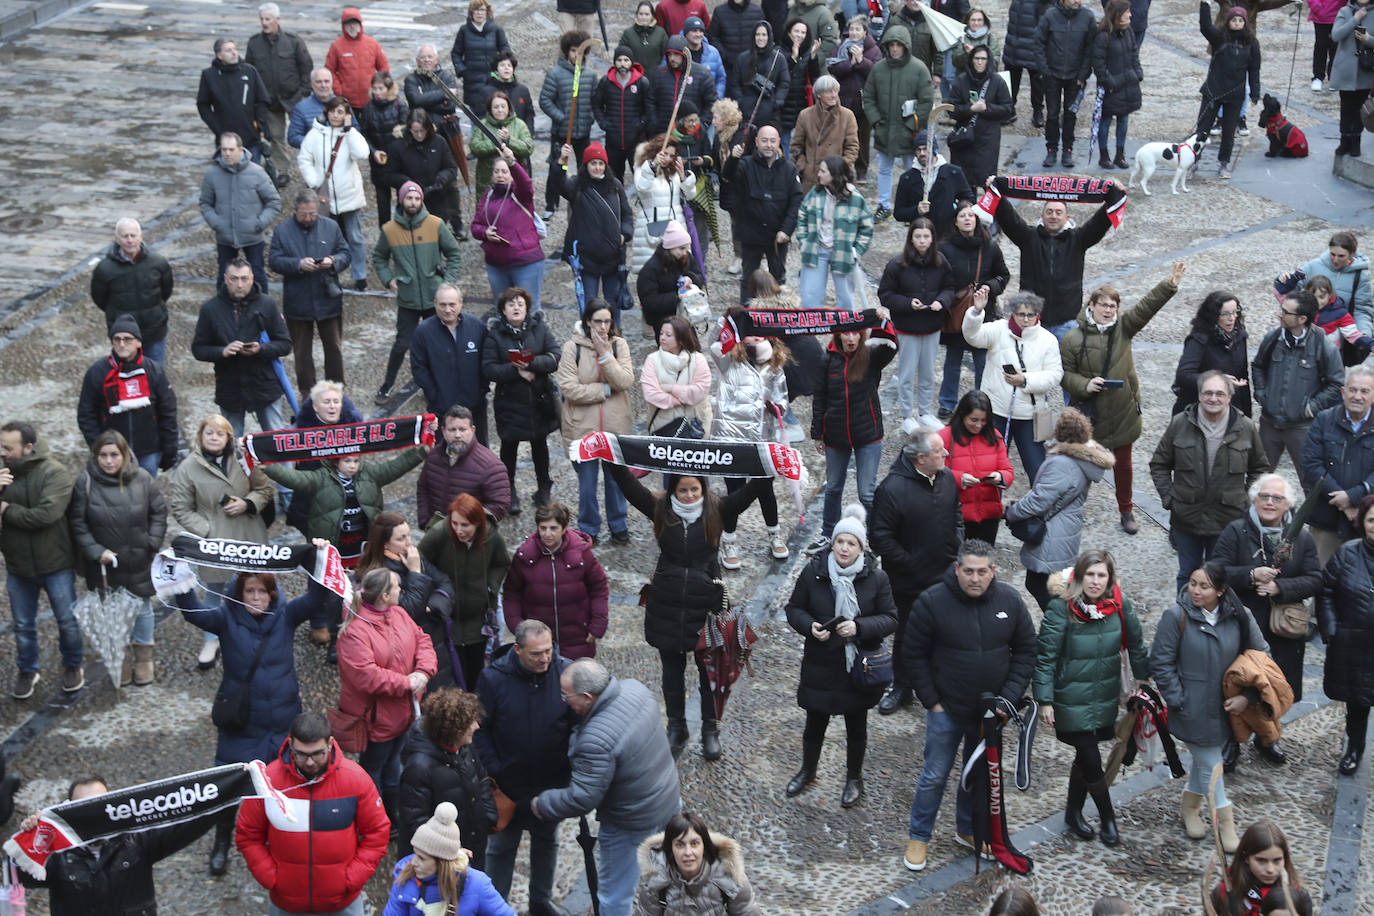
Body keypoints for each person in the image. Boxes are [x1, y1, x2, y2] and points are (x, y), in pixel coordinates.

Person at [602, 463, 769, 759]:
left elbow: (752, 489)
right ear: (673, 490)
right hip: (667, 604)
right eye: (683, 489)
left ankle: (710, 730)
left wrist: (771, 465)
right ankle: (677, 728)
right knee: (671, 673)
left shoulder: (718, 509)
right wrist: (609, 458)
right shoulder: (660, 509)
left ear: (703, 488)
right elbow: (629, 485)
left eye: (695, 489)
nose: (690, 495)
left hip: (707, 606)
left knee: (709, 673)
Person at [900, 538, 1036, 871]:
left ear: (993, 571)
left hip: (991, 715)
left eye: (982, 572)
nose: (975, 578)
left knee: (976, 777)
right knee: (934, 776)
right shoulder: (932, 602)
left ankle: (967, 830)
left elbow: (1026, 650)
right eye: (969, 571)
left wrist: (1009, 696)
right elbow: (912, 653)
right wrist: (931, 701)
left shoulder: (1010, 601)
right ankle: (919, 836)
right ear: (957, 569)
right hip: (946, 711)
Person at [172, 565, 318, 874]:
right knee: (229, 789)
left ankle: (282, 840)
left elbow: (317, 598)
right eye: (249, 591)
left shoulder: (287, 615)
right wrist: (179, 574)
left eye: (262, 591)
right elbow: (192, 611)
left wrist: (319, 559)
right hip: (242, 725)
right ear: (239, 594)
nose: (255, 597)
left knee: (286, 788)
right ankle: (222, 842)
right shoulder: (225, 618)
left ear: (271, 594)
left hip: (282, 723)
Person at [530, 659, 681, 916]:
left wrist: (542, 803)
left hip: (631, 820)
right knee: (666, 872)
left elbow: (582, 798)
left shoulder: (596, 739)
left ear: (587, 697)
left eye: (566, 695)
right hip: (667, 799)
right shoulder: (636, 688)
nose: (564, 700)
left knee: (615, 894)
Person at [1150, 561, 1268, 853]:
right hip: (1191, 710)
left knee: (1205, 762)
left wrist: (1247, 698)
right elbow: (1161, 663)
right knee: (1213, 764)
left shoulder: (1241, 616)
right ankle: (1225, 821)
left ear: (1221, 590)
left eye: (1204, 586)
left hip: (1228, 710)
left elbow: (1261, 657)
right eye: (1192, 583)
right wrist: (1179, 699)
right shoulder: (1175, 616)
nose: (1196, 591)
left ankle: (1190, 807)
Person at [783, 505, 898, 806]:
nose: (844, 548)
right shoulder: (814, 572)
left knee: (856, 726)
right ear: (832, 543)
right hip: (820, 662)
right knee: (815, 724)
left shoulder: (876, 578)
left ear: (861, 548)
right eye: (840, 542)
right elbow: (794, 609)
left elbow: (890, 618)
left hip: (858, 666)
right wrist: (811, 627)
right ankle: (808, 771)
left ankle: (854, 778)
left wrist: (858, 627)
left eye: (851, 543)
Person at [1034, 549, 1149, 847]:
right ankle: (1107, 816)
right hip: (1069, 698)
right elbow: (1045, 658)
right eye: (1090, 575)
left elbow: (1136, 644)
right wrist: (1044, 700)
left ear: (1110, 578)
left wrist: (1143, 680)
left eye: (1102, 575)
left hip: (1104, 697)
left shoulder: (1120, 604)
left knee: (1084, 757)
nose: (1095, 581)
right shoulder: (1061, 609)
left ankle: (1073, 812)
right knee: (1091, 756)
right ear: (1079, 577)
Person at [1061, 263, 1184, 534]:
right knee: (1082, 464)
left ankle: (1126, 510)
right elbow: (1064, 376)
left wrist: (1170, 285)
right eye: (1103, 305)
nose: (1108, 310)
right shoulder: (1071, 339)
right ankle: (1072, 509)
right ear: (1091, 306)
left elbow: (1146, 307)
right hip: (1090, 417)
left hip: (1122, 413)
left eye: (1112, 306)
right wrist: (1085, 384)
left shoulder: (1124, 329)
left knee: (1124, 466)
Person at [259, 442, 428, 639]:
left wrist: (421, 451)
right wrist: (268, 467)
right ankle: (332, 634)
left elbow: (395, 466)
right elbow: (295, 479)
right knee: (329, 596)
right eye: (347, 461)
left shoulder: (369, 475)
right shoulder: (321, 478)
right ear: (335, 461)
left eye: (356, 461)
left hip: (362, 552)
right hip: (333, 551)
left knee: (363, 594)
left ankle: (364, 632)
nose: (352, 465)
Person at [236, 711, 391, 916]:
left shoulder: (356, 780)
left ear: (330, 743)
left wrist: (351, 878)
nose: (310, 762)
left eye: (317, 753)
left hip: (343, 903)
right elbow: (247, 835)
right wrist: (271, 878)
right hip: (286, 904)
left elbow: (377, 833)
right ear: (290, 744)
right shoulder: (266, 783)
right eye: (302, 754)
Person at [474, 620, 577, 916]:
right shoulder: (493, 679)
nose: (545, 658)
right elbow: (479, 730)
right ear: (517, 650)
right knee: (501, 849)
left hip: (551, 784)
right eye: (536, 654)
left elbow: (577, 722)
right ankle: (494, 907)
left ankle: (540, 901)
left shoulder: (564, 671)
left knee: (547, 842)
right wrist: (496, 770)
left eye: (549, 650)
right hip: (508, 787)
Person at [1214, 473, 1320, 738]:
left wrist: (1280, 588)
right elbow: (1216, 571)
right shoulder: (1236, 531)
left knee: (1274, 685)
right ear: (1254, 499)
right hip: (1242, 623)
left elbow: (1315, 579)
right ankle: (1232, 742)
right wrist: (1251, 575)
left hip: (1282, 628)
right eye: (1265, 496)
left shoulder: (1302, 538)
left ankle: (1268, 738)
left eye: (1277, 498)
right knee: (1239, 684)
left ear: (1287, 505)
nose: (1270, 502)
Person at [15, 776, 215, 915]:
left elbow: (192, 823)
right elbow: (22, 877)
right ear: (69, 810)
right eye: (85, 806)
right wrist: (32, 838)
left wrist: (229, 789)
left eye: (100, 803)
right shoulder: (57, 852)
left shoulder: (137, 840)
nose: (94, 813)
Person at [168, 414, 274, 670]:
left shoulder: (244, 460)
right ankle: (211, 639)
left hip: (249, 534)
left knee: (257, 587)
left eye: (220, 433)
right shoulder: (188, 468)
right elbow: (181, 508)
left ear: (228, 437)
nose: (214, 438)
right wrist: (207, 531)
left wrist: (247, 503)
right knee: (213, 591)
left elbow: (265, 489)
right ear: (200, 436)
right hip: (214, 543)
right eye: (209, 433)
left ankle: (261, 632)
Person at [871, 428, 964, 714]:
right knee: (908, 635)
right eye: (939, 451)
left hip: (945, 574)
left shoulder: (947, 479)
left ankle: (940, 685)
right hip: (908, 581)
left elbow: (956, 513)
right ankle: (902, 686)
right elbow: (880, 538)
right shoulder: (891, 490)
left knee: (945, 633)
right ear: (921, 458)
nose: (946, 454)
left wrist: (957, 545)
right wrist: (912, 562)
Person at [1151, 370, 1269, 592]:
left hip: (1227, 521)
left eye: (1219, 394)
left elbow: (1259, 469)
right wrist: (1169, 498)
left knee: (1220, 578)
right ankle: (1185, 622)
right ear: (1199, 395)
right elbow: (1159, 464)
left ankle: (1217, 624)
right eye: (1208, 393)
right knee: (1187, 575)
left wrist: (1245, 501)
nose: (1213, 399)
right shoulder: (1179, 424)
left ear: (1229, 396)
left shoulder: (1245, 428)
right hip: (1186, 519)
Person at [69, 430, 165, 687]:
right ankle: (121, 657)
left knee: (143, 608)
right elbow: (78, 523)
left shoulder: (143, 479)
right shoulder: (85, 482)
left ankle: (144, 658)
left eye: (114, 455)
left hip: (138, 559)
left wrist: (152, 543)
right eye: (103, 455)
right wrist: (95, 551)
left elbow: (158, 512)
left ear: (125, 455)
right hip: (103, 563)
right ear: (95, 456)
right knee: (110, 612)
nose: (109, 461)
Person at [337, 566, 439, 807]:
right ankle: (375, 814)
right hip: (377, 719)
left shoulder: (398, 613)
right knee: (373, 768)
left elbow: (422, 639)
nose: (401, 590)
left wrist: (423, 672)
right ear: (384, 596)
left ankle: (392, 813)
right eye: (396, 587)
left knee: (393, 762)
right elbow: (366, 675)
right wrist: (408, 683)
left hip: (402, 713)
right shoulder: (356, 631)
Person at [990, 176, 1127, 337]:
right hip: (1032, 320)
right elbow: (1008, 217)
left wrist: (1114, 194)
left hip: (1067, 322)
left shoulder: (1078, 238)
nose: (1053, 216)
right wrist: (995, 188)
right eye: (1049, 212)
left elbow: (1100, 222)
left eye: (1058, 212)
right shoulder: (1028, 237)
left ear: (1066, 217)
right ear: (1042, 216)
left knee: (1066, 363)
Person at [1006, 408, 1115, 609]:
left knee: (1042, 586)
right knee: (1052, 587)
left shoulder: (1062, 464)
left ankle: (1060, 629)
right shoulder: (1084, 458)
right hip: (1066, 529)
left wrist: (1012, 512)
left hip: (1053, 534)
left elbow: (1039, 499)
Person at [809, 319, 898, 554]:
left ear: (861, 336)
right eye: (845, 334)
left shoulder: (871, 356)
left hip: (867, 434)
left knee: (866, 492)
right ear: (838, 336)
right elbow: (820, 397)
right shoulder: (827, 360)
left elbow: (892, 343)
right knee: (833, 487)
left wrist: (881, 319)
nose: (850, 338)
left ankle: (874, 538)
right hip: (835, 435)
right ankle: (827, 534)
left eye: (854, 334)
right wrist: (818, 433)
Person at [710, 311, 792, 565]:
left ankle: (774, 535)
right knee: (734, 492)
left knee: (765, 489)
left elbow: (783, 400)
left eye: (760, 334)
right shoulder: (729, 359)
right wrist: (730, 320)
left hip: (762, 439)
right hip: (731, 439)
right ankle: (729, 542)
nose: (755, 338)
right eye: (750, 333)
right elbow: (714, 343)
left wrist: (776, 408)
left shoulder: (775, 367)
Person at [372, 183, 464, 404]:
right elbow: (379, 257)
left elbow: (454, 253)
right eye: (409, 198)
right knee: (402, 344)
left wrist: (447, 283)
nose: (413, 203)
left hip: (435, 298)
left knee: (441, 343)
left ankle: (440, 382)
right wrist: (388, 280)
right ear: (401, 200)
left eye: (416, 198)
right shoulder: (390, 229)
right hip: (408, 298)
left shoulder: (435, 224)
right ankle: (388, 384)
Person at [961, 290, 1061, 483]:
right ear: (1012, 313)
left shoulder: (1048, 340)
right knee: (990, 470)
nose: (1025, 319)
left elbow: (1054, 375)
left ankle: (1039, 512)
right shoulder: (998, 329)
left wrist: (1025, 380)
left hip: (1029, 416)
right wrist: (975, 312)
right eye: (1021, 314)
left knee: (1038, 470)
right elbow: (972, 336)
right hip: (996, 412)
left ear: (1037, 315)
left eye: (1030, 315)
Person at [558, 303, 635, 545]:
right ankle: (589, 528)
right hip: (582, 426)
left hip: (615, 425)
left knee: (616, 481)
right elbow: (569, 388)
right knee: (587, 485)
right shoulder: (572, 348)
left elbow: (625, 380)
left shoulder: (618, 345)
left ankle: (618, 525)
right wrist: (602, 389)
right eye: (598, 321)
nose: (603, 327)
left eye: (607, 321)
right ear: (588, 321)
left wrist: (605, 356)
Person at [355, 510, 460, 684]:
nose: (409, 542)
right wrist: (415, 572)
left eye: (408, 535)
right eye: (401, 538)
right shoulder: (378, 575)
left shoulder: (411, 555)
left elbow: (445, 583)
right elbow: (407, 611)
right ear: (384, 544)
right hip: (409, 648)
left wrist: (433, 605)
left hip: (436, 637)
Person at [191, 257, 293, 436]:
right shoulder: (210, 309)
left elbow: (285, 344)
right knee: (230, 445)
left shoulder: (267, 304)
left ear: (252, 279)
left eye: (244, 279)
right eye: (234, 279)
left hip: (264, 385)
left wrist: (261, 349)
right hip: (229, 386)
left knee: (276, 443)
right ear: (225, 279)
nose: (239, 284)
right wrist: (222, 351)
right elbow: (198, 349)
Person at [418, 494, 510, 689]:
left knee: (476, 669)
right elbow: (420, 566)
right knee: (452, 672)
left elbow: (501, 563)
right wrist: (434, 596)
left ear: (478, 524)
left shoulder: (492, 538)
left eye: (465, 525)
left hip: (478, 620)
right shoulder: (439, 534)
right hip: (447, 618)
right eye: (455, 524)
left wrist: (490, 588)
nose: (459, 530)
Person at [481, 288, 559, 513]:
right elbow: (488, 369)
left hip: (538, 400)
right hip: (509, 402)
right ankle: (509, 491)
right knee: (509, 447)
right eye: (511, 304)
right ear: (503, 310)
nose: (516, 308)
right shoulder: (495, 335)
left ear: (527, 308)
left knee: (539, 445)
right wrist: (516, 371)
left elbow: (555, 356)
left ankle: (544, 487)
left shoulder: (540, 328)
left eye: (520, 304)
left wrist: (532, 364)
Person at [398, 689, 496, 863]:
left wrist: (488, 816)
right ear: (454, 729)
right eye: (470, 722)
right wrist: (452, 851)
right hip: (440, 862)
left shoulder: (464, 747)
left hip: (470, 847)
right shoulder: (419, 767)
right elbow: (416, 820)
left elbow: (481, 778)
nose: (477, 726)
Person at [1252, 289, 1345, 473]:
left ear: (1302, 319)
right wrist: (1262, 394)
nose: (1280, 314)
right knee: (1258, 479)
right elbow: (1258, 366)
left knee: (1310, 481)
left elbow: (1336, 383)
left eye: (1286, 312)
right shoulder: (1272, 339)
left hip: (1302, 428)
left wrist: (1312, 407)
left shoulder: (1323, 346)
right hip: (1269, 425)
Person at [76, 314, 180, 478]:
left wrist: (170, 447)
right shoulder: (97, 372)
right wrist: (98, 446)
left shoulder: (153, 371)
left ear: (138, 342)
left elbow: (168, 410)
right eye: (117, 339)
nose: (122, 344)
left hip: (148, 451)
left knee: (144, 498)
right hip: (112, 452)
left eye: (127, 339)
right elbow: (86, 413)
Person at [503, 502, 609, 660]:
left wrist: (597, 625)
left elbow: (599, 588)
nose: (547, 534)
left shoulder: (582, 553)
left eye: (553, 528)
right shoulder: (524, 556)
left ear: (564, 528)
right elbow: (511, 594)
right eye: (543, 528)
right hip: (538, 644)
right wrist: (519, 628)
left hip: (578, 639)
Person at [269, 190, 351, 392]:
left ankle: (336, 391)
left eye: (312, 214)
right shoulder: (282, 231)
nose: (308, 218)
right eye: (304, 214)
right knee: (301, 352)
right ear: (294, 210)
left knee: (334, 348)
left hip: (327, 298)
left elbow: (345, 253)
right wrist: (297, 265)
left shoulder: (330, 227)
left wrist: (332, 261)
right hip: (298, 301)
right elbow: (274, 261)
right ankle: (308, 393)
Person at [879, 217, 955, 430]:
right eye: (918, 236)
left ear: (932, 239)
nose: (922, 240)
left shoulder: (941, 262)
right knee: (906, 374)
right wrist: (907, 304)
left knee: (928, 373)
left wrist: (942, 301)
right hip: (907, 327)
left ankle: (924, 412)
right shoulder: (897, 264)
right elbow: (885, 294)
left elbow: (950, 287)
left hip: (932, 326)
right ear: (911, 239)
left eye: (926, 236)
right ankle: (906, 416)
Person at [937, 200, 1009, 420]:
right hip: (956, 311)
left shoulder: (989, 246)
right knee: (953, 361)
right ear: (956, 222)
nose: (967, 219)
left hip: (983, 311)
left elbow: (1003, 275)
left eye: (971, 215)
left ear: (977, 219)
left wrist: (990, 287)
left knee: (982, 362)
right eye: (962, 216)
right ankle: (947, 403)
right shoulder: (944, 248)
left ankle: (983, 402)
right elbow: (937, 278)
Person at [1319, 492, 1374, 775]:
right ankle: (1355, 748)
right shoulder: (1348, 553)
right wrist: (1330, 629)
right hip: (1354, 643)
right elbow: (1326, 590)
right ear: (1363, 522)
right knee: (1358, 703)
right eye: (1372, 519)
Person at [1301, 366, 1374, 567]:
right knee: (1321, 582)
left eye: (1365, 391)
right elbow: (1311, 465)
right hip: (1326, 520)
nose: (1357, 396)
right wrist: (1342, 500)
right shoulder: (1324, 420)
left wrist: (1353, 497)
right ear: (1343, 392)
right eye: (1352, 390)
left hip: (1368, 522)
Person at [385, 802, 513, 916]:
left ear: (442, 862)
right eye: (415, 854)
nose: (413, 862)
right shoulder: (404, 877)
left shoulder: (476, 884)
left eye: (422, 858)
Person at [297, 96, 372, 291]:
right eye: (333, 111)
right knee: (326, 239)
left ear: (347, 115)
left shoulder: (351, 133)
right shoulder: (315, 134)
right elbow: (304, 158)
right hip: (325, 197)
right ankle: (329, 274)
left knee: (355, 237)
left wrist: (349, 132)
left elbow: (362, 154)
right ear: (326, 112)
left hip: (349, 195)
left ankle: (359, 275)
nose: (336, 115)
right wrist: (314, 180)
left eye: (340, 112)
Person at [553, 142, 635, 317]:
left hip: (613, 258)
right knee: (589, 306)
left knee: (613, 307)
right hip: (586, 259)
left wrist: (624, 235)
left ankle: (614, 341)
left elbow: (627, 214)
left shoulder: (616, 186)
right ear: (586, 165)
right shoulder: (577, 185)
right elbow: (559, 184)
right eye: (593, 163)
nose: (597, 168)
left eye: (600, 163)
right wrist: (562, 162)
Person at [199, 132, 282, 294]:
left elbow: (273, 202)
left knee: (257, 275)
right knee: (224, 278)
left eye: (231, 149)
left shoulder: (257, 172)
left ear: (241, 150)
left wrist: (259, 223)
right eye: (224, 150)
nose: (227, 154)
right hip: (225, 237)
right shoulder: (212, 174)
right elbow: (205, 203)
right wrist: (216, 223)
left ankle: (262, 311)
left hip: (253, 236)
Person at [633, 812, 764, 914]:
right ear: (670, 849)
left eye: (694, 844)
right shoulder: (655, 879)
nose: (688, 852)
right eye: (680, 845)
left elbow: (748, 912)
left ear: (705, 846)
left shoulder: (729, 876)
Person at [89, 218, 175, 367]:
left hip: (153, 331)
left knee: (155, 376)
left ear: (140, 237)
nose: (130, 240)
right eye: (125, 236)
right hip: (124, 337)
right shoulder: (104, 269)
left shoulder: (158, 263)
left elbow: (166, 290)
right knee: (126, 379)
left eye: (133, 235)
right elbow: (100, 298)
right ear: (117, 239)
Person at [411, 284, 489, 439]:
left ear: (460, 303)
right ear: (435, 304)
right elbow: (419, 369)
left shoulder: (477, 326)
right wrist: (435, 396)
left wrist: (481, 389)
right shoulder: (423, 332)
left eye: (452, 304)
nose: (447, 310)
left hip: (475, 407)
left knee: (478, 455)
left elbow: (487, 360)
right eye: (443, 305)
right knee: (445, 457)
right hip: (442, 410)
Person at [795, 156, 872, 311]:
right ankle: (810, 330)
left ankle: (844, 334)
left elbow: (867, 227)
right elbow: (802, 216)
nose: (819, 174)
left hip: (843, 254)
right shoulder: (815, 193)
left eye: (823, 171)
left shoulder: (855, 198)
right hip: (816, 250)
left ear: (835, 174)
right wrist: (804, 242)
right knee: (809, 298)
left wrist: (856, 250)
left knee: (846, 301)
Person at [246, 2, 314, 177]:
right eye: (261, 19)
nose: (264, 22)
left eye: (267, 19)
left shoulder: (293, 41)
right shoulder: (254, 44)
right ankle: (282, 171)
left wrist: (304, 93)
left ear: (277, 19)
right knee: (276, 137)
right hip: (270, 100)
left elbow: (306, 66)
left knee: (307, 134)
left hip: (294, 97)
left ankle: (313, 168)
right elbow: (249, 71)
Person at [1194, 2, 1261, 179]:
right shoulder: (1219, 38)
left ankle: (1224, 164)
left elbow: (1254, 69)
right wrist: (1205, 5)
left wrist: (1255, 92)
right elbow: (1205, 27)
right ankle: (1194, 160)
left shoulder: (1252, 43)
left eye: (1241, 20)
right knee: (1203, 129)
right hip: (1213, 91)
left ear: (1245, 23)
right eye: (1234, 20)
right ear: (1228, 21)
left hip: (1235, 94)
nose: (1237, 23)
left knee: (1229, 132)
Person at [417, 406, 511, 529]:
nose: (457, 435)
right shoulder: (434, 456)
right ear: (443, 431)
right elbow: (423, 488)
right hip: (436, 533)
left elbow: (499, 506)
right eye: (452, 430)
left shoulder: (491, 466)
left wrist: (466, 526)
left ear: (472, 430)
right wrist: (425, 521)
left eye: (462, 429)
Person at [472, 157, 546, 313]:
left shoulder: (520, 194)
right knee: (502, 310)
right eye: (496, 171)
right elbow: (475, 226)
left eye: (504, 171)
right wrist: (485, 233)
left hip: (525, 262)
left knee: (529, 310)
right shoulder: (488, 194)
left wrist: (513, 163)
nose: (500, 175)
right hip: (496, 263)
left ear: (512, 175)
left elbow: (526, 184)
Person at [939, 391, 1013, 545]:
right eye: (974, 420)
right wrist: (960, 479)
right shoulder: (944, 437)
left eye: (983, 420)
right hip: (957, 517)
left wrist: (1000, 477)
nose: (979, 425)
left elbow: (1008, 471)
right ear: (962, 415)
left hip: (989, 515)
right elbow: (933, 472)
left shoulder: (994, 436)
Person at [540, 31, 599, 219]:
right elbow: (545, 100)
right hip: (562, 133)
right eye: (574, 51)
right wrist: (561, 117)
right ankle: (551, 204)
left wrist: (589, 118)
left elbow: (595, 101)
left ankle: (586, 200)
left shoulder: (589, 75)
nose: (576, 55)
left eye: (580, 51)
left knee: (585, 167)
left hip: (583, 132)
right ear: (567, 51)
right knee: (558, 168)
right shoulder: (555, 74)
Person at [1033, 0, 1096, 168]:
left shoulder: (1087, 17)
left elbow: (1090, 49)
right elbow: (1038, 43)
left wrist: (1083, 74)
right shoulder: (1050, 15)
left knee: (1070, 114)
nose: (1076, 1)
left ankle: (1068, 150)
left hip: (1075, 76)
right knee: (1052, 114)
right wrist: (1045, 70)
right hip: (1052, 74)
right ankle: (1051, 149)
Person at [1276, 231, 1374, 335]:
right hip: (1309, 333)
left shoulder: (1360, 276)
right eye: (1332, 254)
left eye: (1341, 256)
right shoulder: (1315, 265)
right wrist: (1283, 278)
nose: (1335, 260)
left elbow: (1362, 310)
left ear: (1351, 254)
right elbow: (1293, 286)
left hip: (1341, 336)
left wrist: (1364, 333)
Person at [1172, 290, 1252, 417]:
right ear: (1214, 315)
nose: (1231, 318)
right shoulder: (1199, 339)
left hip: (1230, 411)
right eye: (1225, 314)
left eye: (1235, 312)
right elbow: (1183, 376)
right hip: (1198, 411)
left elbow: (1243, 378)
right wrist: (1219, 380)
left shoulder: (1240, 336)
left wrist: (1247, 417)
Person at [946, 45, 1013, 190]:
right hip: (964, 138)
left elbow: (1008, 109)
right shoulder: (961, 80)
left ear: (988, 61)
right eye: (977, 58)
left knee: (988, 182)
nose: (980, 62)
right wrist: (970, 109)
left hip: (987, 139)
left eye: (983, 59)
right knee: (964, 184)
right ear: (971, 60)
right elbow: (951, 109)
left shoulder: (997, 81)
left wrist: (986, 108)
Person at [631, 136, 698, 279]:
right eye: (665, 154)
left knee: (678, 271)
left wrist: (683, 177)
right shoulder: (643, 167)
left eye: (672, 155)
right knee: (653, 274)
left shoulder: (673, 171)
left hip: (675, 224)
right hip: (653, 227)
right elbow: (641, 187)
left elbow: (691, 195)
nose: (668, 158)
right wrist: (653, 166)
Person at [387, 108, 461, 237]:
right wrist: (409, 183)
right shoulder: (398, 146)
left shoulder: (439, 142)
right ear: (409, 129)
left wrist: (441, 179)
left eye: (423, 131)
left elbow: (451, 168)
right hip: (411, 200)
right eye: (416, 131)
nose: (420, 135)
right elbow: (389, 175)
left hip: (437, 197)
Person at [197, 39, 273, 160]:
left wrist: (259, 125)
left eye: (235, 49)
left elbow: (263, 99)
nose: (234, 53)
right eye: (228, 50)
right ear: (219, 55)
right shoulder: (209, 75)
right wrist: (216, 127)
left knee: (252, 174)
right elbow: (203, 104)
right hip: (225, 138)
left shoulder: (249, 71)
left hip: (250, 137)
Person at [1209, 820, 1305, 915]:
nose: (1270, 870)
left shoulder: (1296, 892)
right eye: (1261, 860)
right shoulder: (1226, 890)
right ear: (1246, 857)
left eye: (1277, 860)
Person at [642, 316, 714, 441]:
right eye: (661, 333)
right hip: (663, 426)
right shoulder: (652, 360)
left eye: (668, 335)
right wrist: (679, 400)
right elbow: (651, 394)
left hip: (695, 427)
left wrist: (671, 389)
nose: (662, 338)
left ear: (681, 338)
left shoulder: (698, 359)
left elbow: (700, 391)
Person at [593, 47, 655, 186]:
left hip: (635, 141)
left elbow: (650, 107)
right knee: (613, 180)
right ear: (615, 62)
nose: (622, 63)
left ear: (631, 63)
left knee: (641, 177)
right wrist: (603, 123)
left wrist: (641, 124)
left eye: (626, 60)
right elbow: (596, 104)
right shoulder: (606, 82)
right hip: (613, 141)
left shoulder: (642, 82)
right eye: (619, 60)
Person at [1091, 0, 1142, 169]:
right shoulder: (1103, 36)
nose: (1130, 15)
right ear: (1118, 15)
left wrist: (1138, 74)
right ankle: (1104, 155)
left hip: (1128, 86)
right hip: (1111, 89)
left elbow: (1134, 54)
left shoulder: (1129, 32)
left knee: (1124, 120)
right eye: (1127, 12)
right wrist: (1111, 83)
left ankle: (1120, 155)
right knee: (1105, 121)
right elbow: (1098, 64)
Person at [893, 133, 975, 236]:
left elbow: (969, 199)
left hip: (948, 235)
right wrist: (916, 210)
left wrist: (955, 210)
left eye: (925, 149)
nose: (922, 153)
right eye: (918, 150)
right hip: (922, 237)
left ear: (934, 149)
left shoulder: (953, 173)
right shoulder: (907, 178)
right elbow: (898, 213)